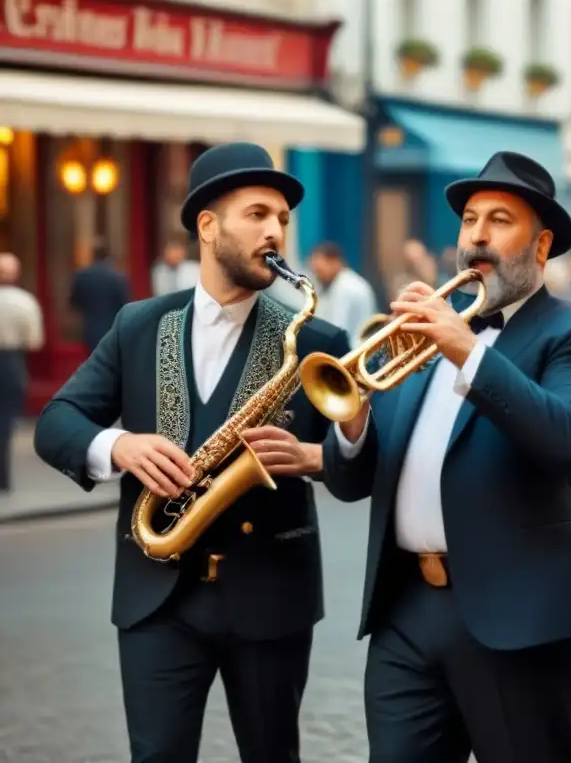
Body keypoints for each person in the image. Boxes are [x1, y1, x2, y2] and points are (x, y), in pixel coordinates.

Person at [33, 142, 350, 763]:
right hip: (157, 597)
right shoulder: (137, 325)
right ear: (207, 226)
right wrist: (118, 444)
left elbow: (360, 468)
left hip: (270, 596)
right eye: (257, 214)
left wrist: (316, 455)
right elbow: (56, 424)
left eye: (281, 219)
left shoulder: (316, 339)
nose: (274, 231)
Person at [321, 151, 571, 762]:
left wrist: (467, 352)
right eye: (469, 220)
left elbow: (566, 439)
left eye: (500, 220)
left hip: (518, 617)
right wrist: (353, 422)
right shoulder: (429, 332)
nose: (478, 234)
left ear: (540, 248)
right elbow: (351, 481)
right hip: (406, 613)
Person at [0, 253, 43, 493]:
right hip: (11, 361)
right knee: (5, 421)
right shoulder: (25, 302)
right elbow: (35, 340)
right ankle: (3, 478)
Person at [307, 240, 378, 339]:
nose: (318, 276)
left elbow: (337, 329)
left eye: (320, 271)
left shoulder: (345, 288)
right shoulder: (345, 282)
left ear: (335, 262)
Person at [70, 236, 130, 352]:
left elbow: (74, 303)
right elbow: (124, 304)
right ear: (108, 255)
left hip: (90, 329)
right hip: (112, 328)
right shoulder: (118, 277)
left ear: (92, 255)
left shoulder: (82, 276)